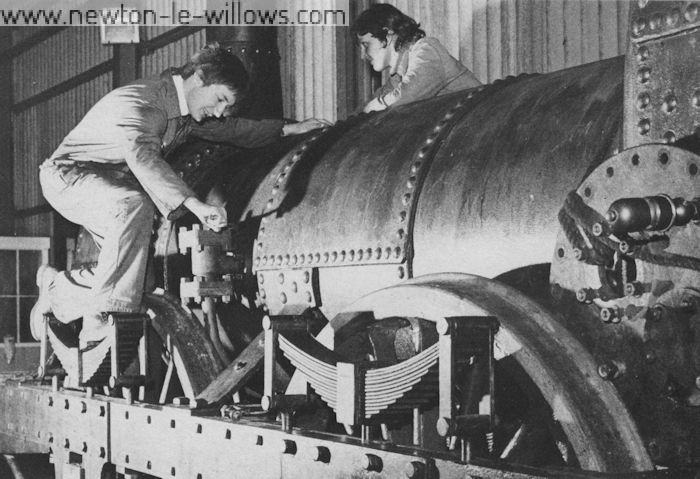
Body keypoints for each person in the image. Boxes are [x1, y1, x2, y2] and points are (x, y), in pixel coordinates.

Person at [31, 43, 329, 348]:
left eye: (226, 106)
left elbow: (233, 130)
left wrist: (286, 130)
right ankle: (103, 323)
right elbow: (143, 157)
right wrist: (193, 203)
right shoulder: (145, 103)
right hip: (68, 175)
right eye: (220, 99)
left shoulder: (184, 112)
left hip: (108, 184)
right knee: (131, 206)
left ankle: (57, 289)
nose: (220, 111)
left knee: (134, 277)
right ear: (199, 77)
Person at [352, 4, 481, 113]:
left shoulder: (427, 49)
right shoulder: (398, 75)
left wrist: (373, 106)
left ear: (388, 35)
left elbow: (408, 94)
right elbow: (374, 102)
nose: (363, 55)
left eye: (366, 44)